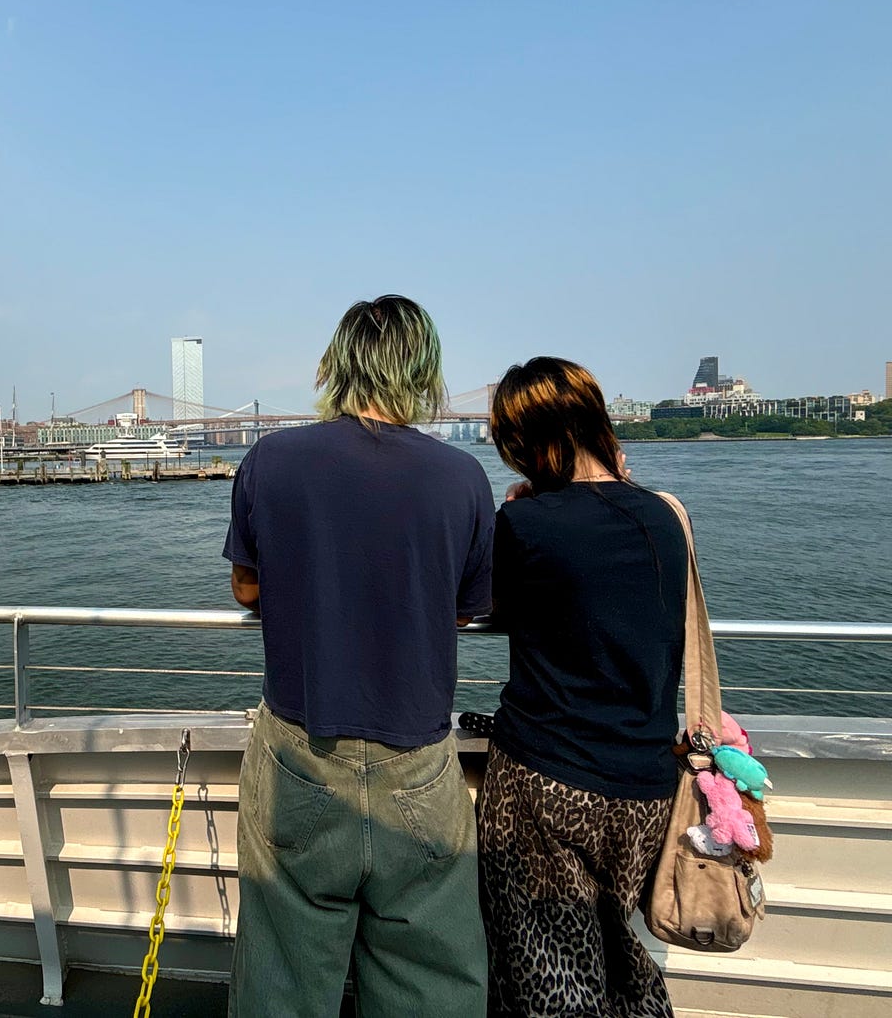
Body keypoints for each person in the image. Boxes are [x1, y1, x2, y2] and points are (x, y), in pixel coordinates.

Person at [223, 295, 493, 1017]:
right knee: (429, 983)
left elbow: (247, 584)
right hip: (418, 760)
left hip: (299, 753)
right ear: (424, 370)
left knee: (282, 977)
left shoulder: (271, 458)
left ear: (336, 365)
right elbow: (463, 608)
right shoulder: (464, 477)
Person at [478, 356, 688, 1017]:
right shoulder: (663, 517)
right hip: (647, 786)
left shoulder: (526, 524)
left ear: (529, 442)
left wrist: (519, 509)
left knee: (549, 978)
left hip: (547, 779)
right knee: (624, 965)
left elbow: (492, 603)